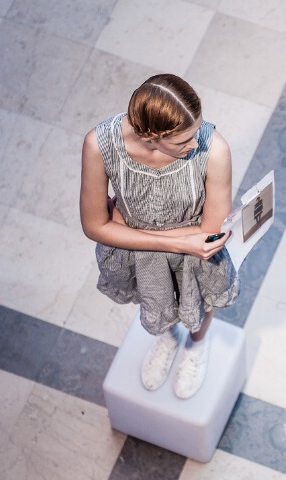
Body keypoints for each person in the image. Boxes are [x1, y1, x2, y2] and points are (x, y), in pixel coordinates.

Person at [80, 74, 238, 399]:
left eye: (197, 130)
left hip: (184, 249)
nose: (197, 145)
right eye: (183, 142)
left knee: (201, 297)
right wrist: (178, 241)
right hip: (157, 249)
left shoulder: (215, 148)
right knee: (156, 298)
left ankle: (196, 344)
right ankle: (167, 339)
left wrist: (125, 229)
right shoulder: (99, 144)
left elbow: (209, 231)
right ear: (150, 137)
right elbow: (94, 226)